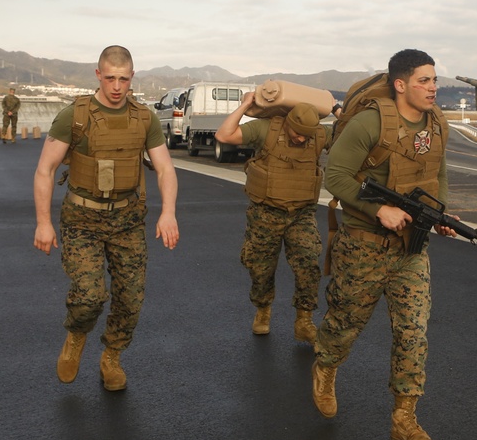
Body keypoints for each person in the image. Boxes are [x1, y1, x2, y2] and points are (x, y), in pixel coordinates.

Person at [312, 48, 454, 440]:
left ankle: (404, 418)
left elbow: (438, 173)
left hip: (412, 249)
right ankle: (325, 366)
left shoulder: (437, 125)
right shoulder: (370, 123)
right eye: (424, 80)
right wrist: (379, 209)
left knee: (413, 331)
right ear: (400, 84)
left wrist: (438, 214)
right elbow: (335, 177)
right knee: (345, 325)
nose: (432, 88)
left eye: (434, 79)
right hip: (363, 246)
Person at [33, 45, 179, 391]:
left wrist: (168, 212)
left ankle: (111, 357)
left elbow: (165, 168)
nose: (116, 86)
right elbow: (45, 169)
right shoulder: (76, 115)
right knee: (89, 297)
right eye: (110, 78)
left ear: (132, 78)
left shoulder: (144, 118)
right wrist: (44, 222)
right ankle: (77, 334)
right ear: (98, 75)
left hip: (127, 219)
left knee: (130, 299)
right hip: (82, 218)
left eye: (123, 79)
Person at [214, 96, 331, 342]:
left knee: (309, 263)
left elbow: (351, 138)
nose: (301, 139)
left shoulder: (319, 135)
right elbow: (224, 135)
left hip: (302, 214)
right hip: (265, 212)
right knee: (260, 268)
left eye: (306, 136)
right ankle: (263, 309)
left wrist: (340, 111)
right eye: (298, 134)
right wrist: (246, 105)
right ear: (288, 123)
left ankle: (304, 321)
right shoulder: (266, 129)